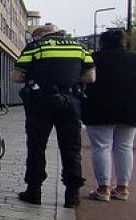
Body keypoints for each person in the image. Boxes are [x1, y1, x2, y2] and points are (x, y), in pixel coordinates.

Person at [12, 24, 95, 208]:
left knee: (36, 146)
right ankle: (72, 195)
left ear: (41, 35)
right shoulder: (79, 47)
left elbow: (17, 76)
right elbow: (90, 77)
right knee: (72, 148)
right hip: (71, 102)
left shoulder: (36, 47)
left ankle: (34, 191)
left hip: (41, 102)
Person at [82, 29, 136, 202]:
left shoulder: (94, 59)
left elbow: (83, 82)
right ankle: (122, 188)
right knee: (125, 147)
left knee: (101, 147)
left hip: (99, 109)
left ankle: (103, 188)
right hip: (131, 109)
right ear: (123, 42)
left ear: (102, 42)